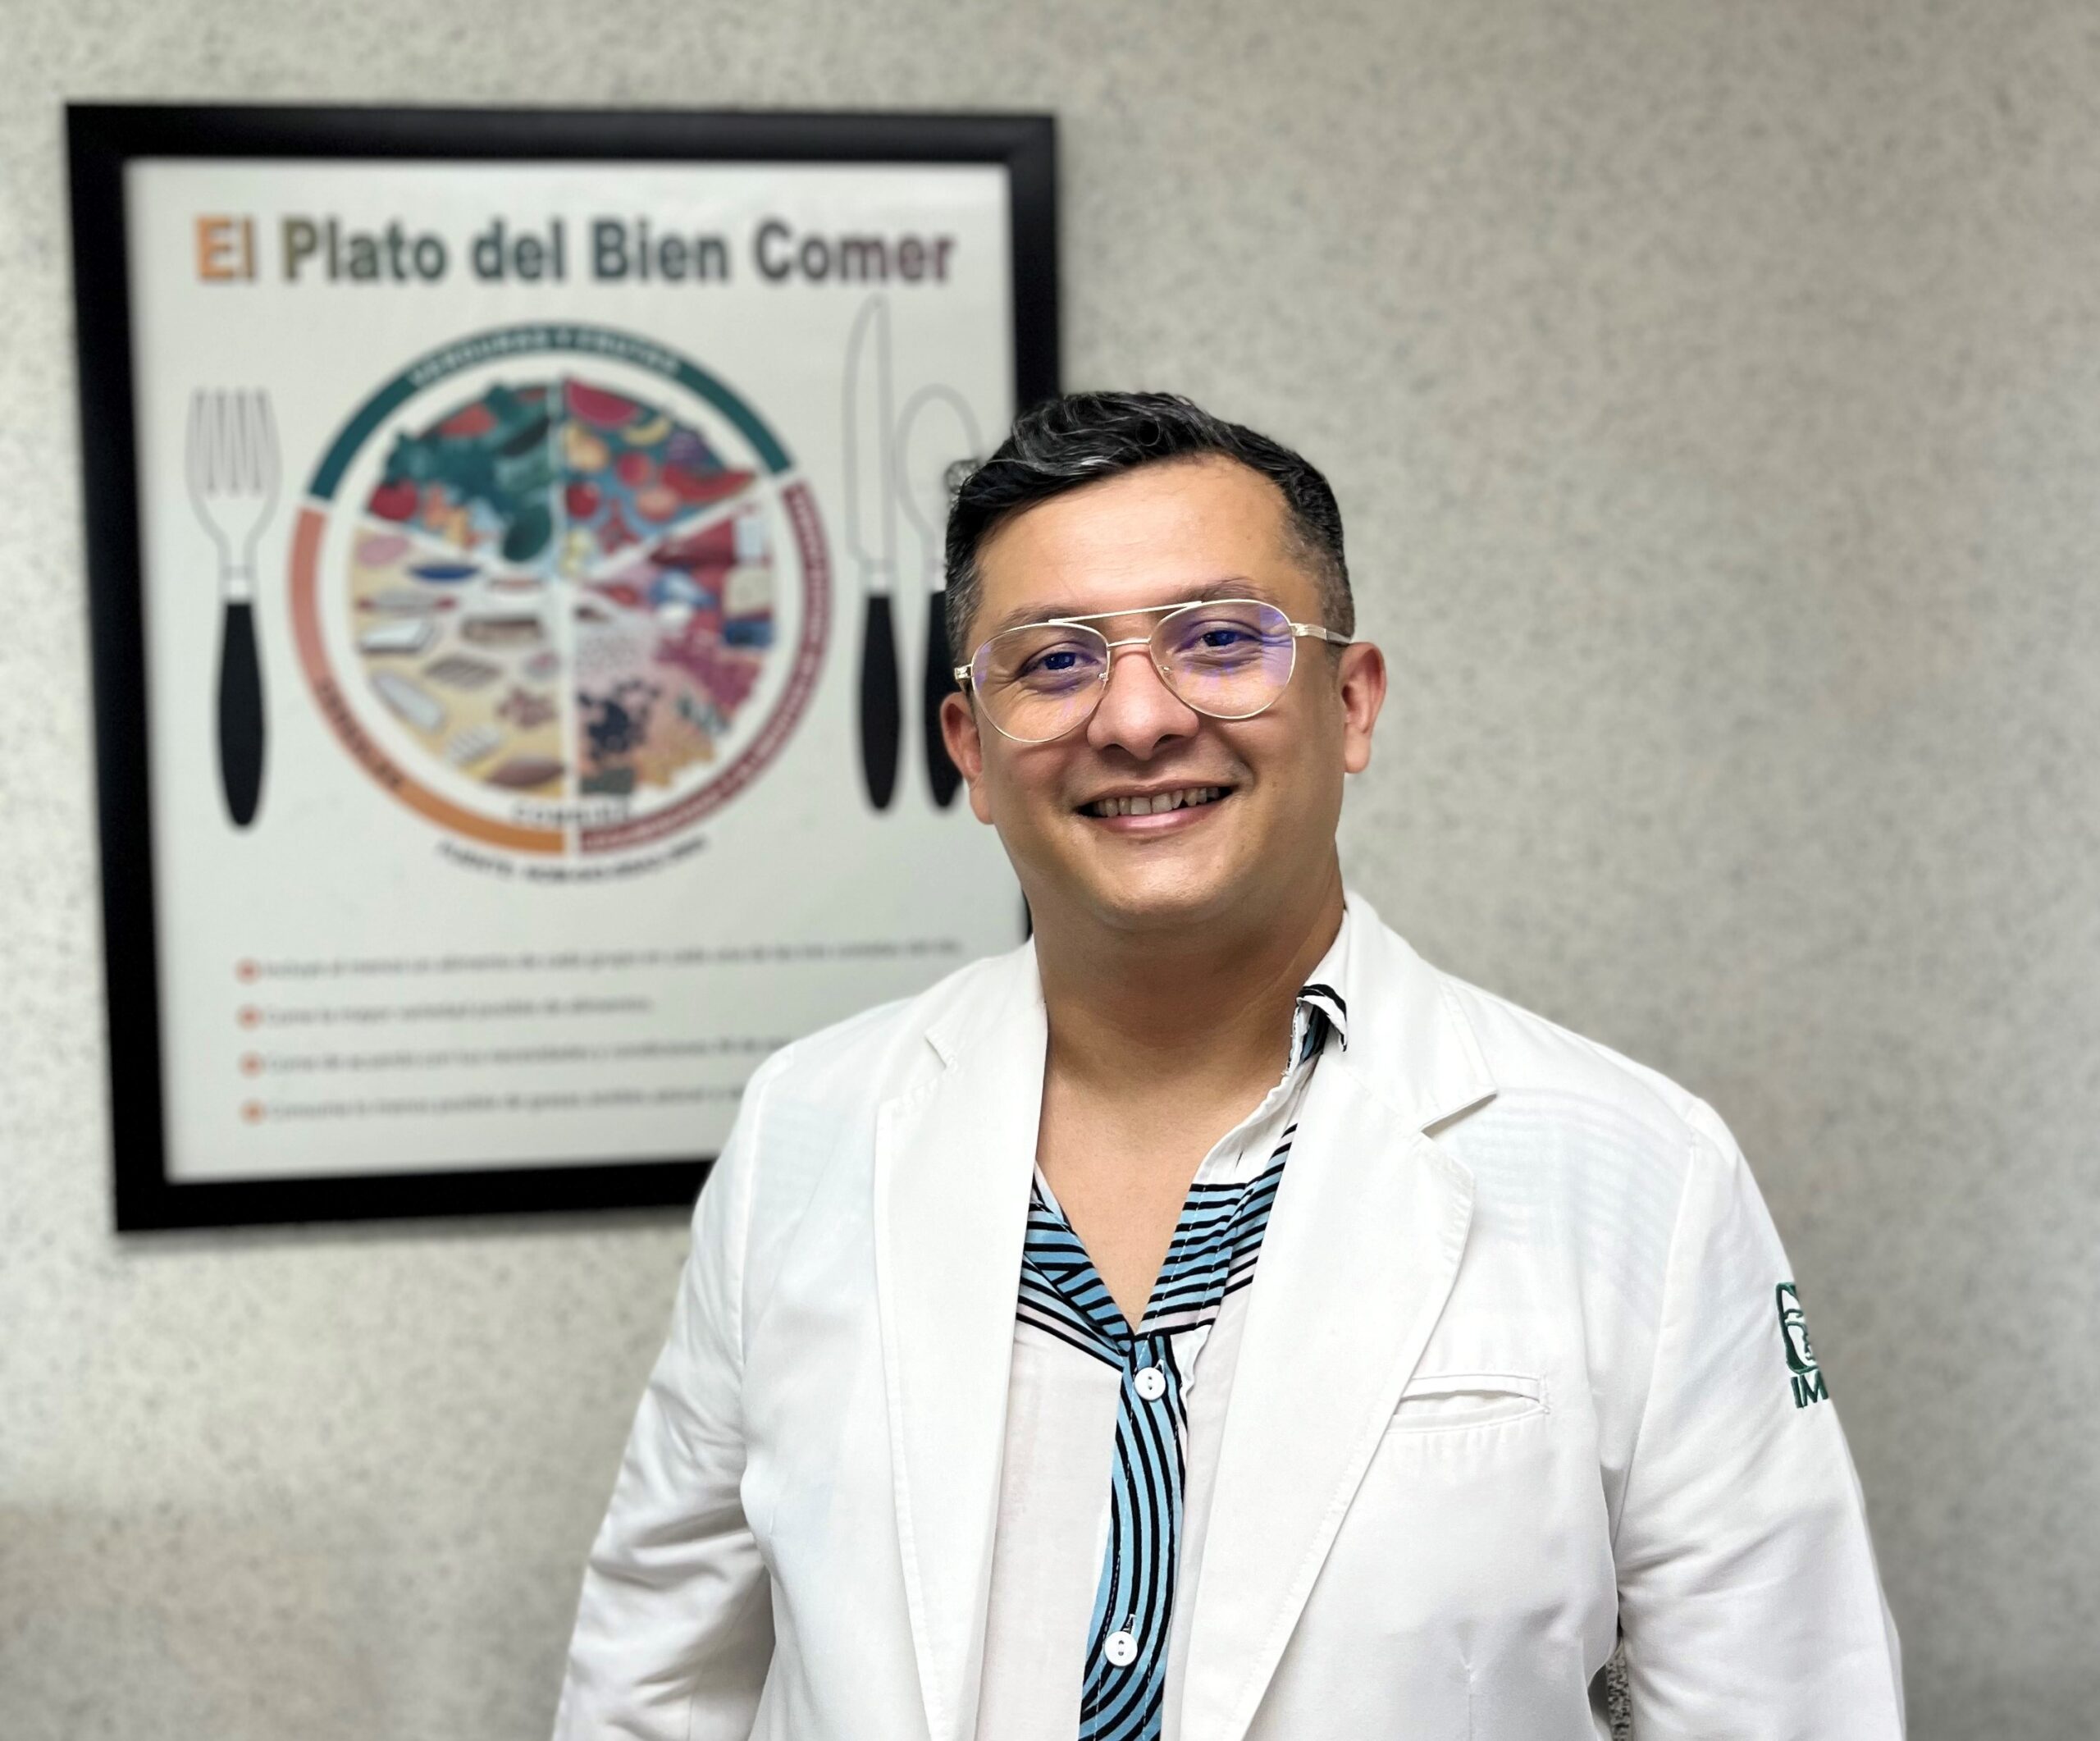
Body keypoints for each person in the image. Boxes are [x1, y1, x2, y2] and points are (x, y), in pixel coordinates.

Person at [553, 392, 1904, 1740]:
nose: (1138, 719)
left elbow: (1786, 1700)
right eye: (1054, 662)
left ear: (1351, 701)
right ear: (972, 750)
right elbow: (654, 1683)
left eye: (1219, 640)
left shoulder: (1637, 1171)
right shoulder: (808, 1128)